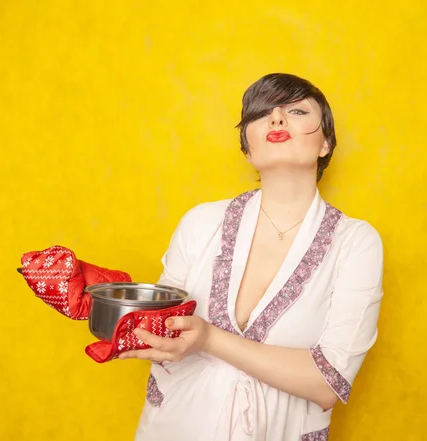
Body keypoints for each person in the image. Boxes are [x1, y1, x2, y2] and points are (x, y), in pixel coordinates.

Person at [120, 73, 384, 441]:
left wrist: (210, 339)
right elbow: (160, 330)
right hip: (176, 425)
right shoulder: (200, 223)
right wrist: (96, 296)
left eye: (296, 110)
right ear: (247, 146)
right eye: (261, 114)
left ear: (326, 142)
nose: (276, 119)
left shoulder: (355, 243)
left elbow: (328, 381)